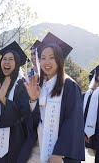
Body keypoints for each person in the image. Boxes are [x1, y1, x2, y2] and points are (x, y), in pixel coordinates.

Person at [24, 32, 85, 162]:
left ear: (59, 60)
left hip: (59, 154)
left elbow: (73, 122)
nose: (47, 62)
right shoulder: (41, 85)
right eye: (43, 57)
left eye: (52, 57)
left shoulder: (69, 85)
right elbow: (34, 121)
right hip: (38, 148)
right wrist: (33, 100)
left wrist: (59, 153)